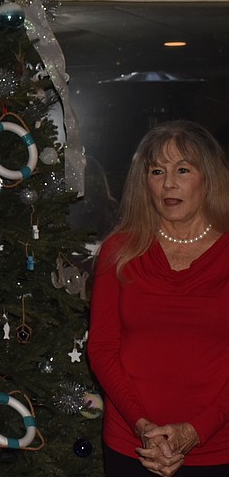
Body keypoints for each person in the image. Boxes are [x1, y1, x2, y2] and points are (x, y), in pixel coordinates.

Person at [88, 120, 229, 476]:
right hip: (132, 443)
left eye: (183, 169)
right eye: (157, 171)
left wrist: (196, 431)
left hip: (218, 448)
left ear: (208, 177)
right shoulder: (119, 250)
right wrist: (143, 426)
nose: (169, 184)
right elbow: (102, 348)